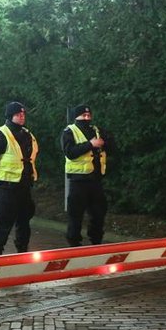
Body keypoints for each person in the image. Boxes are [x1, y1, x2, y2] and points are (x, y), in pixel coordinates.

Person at [0, 101, 39, 255]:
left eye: (23, 114)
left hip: (25, 186)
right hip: (7, 188)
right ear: (10, 115)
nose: (22, 116)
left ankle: (23, 251)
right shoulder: (1, 135)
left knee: (24, 222)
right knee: (3, 222)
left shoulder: (27, 135)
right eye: (18, 114)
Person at [60, 105, 114, 246]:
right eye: (83, 116)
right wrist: (90, 144)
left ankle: (96, 242)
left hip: (96, 180)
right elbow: (70, 152)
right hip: (78, 181)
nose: (87, 118)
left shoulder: (96, 130)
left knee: (98, 214)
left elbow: (112, 146)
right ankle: (74, 245)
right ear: (76, 117)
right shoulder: (69, 131)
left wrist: (105, 143)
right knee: (75, 216)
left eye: (89, 115)